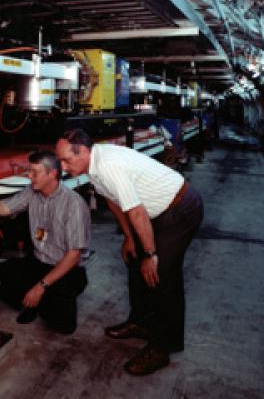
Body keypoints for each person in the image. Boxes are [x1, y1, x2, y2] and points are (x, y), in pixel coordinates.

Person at [56, 128, 203, 375]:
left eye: (66, 160)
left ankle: (162, 347)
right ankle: (141, 321)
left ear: (82, 152)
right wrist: (129, 238)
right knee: (134, 261)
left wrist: (150, 254)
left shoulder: (109, 165)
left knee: (162, 276)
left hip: (180, 210)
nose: (62, 167)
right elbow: (114, 200)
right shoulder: (92, 165)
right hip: (152, 212)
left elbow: (136, 212)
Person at [0, 150, 90, 333]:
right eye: (29, 171)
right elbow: (4, 208)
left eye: (35, 172)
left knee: (62, 326)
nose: (29, 176)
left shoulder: (74, 205)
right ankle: (33, 303)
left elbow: (73, 256)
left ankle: (42, 300)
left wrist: (40, 288)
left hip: (66, 269)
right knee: (0, 274)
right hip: (38, 262)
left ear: (52, 174)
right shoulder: (32, 192)